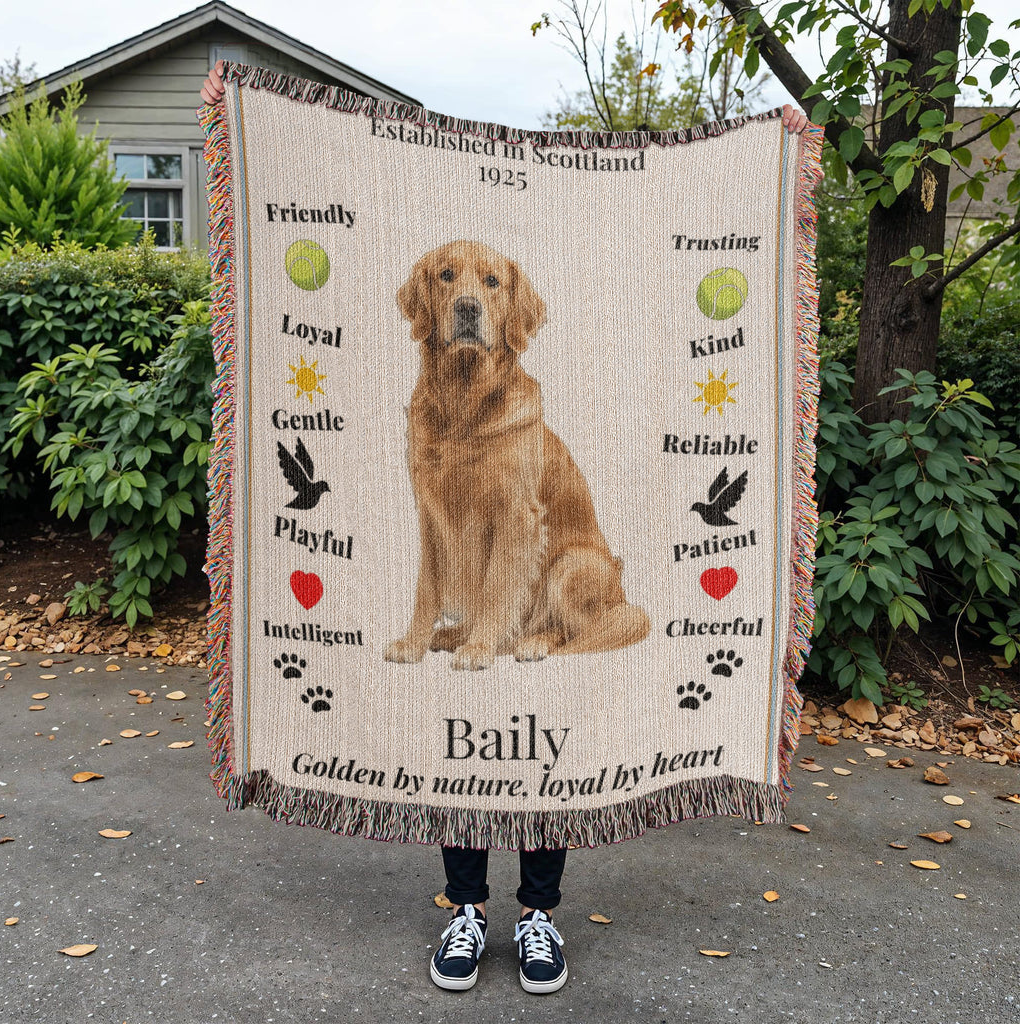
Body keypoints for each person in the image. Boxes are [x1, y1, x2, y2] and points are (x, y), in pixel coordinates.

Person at [198, 60, 808, 994]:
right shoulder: (421, 409)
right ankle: (465, 909)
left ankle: (538, 916)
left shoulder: (524, 412)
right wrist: (426, 626)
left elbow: (528, 539)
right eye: (450, 282)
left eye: (485, 285)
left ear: (510, 310)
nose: (468, 295)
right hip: (477, 610)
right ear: (428, 304)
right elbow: (439, 529)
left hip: (564, 583)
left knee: (552, 739)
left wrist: (496, 629)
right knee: (452, 746)